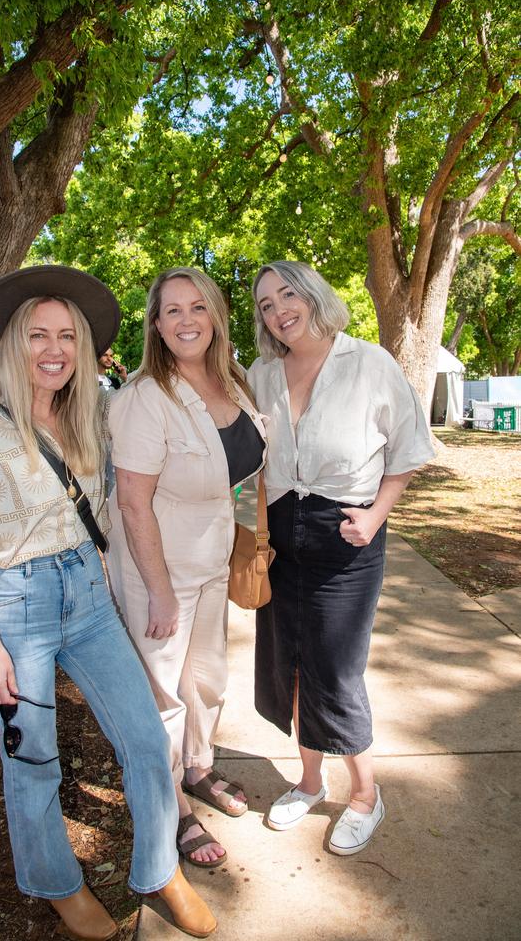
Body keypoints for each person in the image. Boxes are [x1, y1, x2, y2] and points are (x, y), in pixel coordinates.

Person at [0, 265, 216, 940]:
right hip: (17, 605)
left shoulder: (91, 407)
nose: (54, 349)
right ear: (14, 343)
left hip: (88, 597)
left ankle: (158, 870)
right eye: (38, 334)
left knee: (148, 739)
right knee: (33, 759)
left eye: (67, 335)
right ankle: (55, 883)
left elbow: (128, 483)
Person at [248, 260, 435, 857]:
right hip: (281, 533)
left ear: (312, 295)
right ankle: (308, 780)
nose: (279, 310)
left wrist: (378, 513)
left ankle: (364, 796)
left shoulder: (369, 363)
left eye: (287, 295)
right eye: (266, 304)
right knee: (290, 663)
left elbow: (408, 445)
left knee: (336, 668)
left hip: (347, 533)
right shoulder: (261, 373)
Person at [106, 267, 267, 869]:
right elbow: (131, 501)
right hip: (158, 566)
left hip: (212, 557)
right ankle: (171, 803)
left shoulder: (237, 382)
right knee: (165, 693)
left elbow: (242, 471)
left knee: (208, 676)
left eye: (198, 307)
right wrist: (159, 593)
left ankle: (199, 769)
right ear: (156, 325)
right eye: (172, 310)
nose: (187, 320)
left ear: (217, 316)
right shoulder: (145, 398)